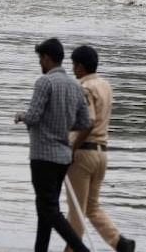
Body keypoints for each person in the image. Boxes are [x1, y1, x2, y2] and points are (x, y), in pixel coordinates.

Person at [14, 38, 92, 252]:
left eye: (41, 58)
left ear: (47, 59)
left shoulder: (44, 82)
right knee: (45, 210)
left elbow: (34, 116)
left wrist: (21, 116)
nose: (40, 62)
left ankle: (81, 249)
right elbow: (84, 123)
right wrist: (64, 123)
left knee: (50, 210)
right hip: (63, 157)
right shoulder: (76, 86)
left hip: (43, 156)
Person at [66, 46, 136, 252]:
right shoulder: (105, 85)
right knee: (91, 207)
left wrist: (72, 148)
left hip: (83, 152)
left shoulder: (84, 87)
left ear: (80, 66)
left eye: (74, 65)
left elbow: (88, 121)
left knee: (76, 212)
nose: (73, 69)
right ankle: (120, 243)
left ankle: (72, 250)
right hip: (102, 152)